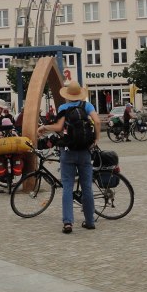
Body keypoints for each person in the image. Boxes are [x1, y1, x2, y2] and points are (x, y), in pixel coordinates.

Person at [37, 81, 100, 233]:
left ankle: (68, 223)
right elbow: (97, 121)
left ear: (67, 95)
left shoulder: (63, 108)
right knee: (87, 187)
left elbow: (59, 127)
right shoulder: (87, 106)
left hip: (68, 151)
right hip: (84, 151)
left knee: (67, 187)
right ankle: (90, 221)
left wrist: (44, 127)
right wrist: (96, 140)